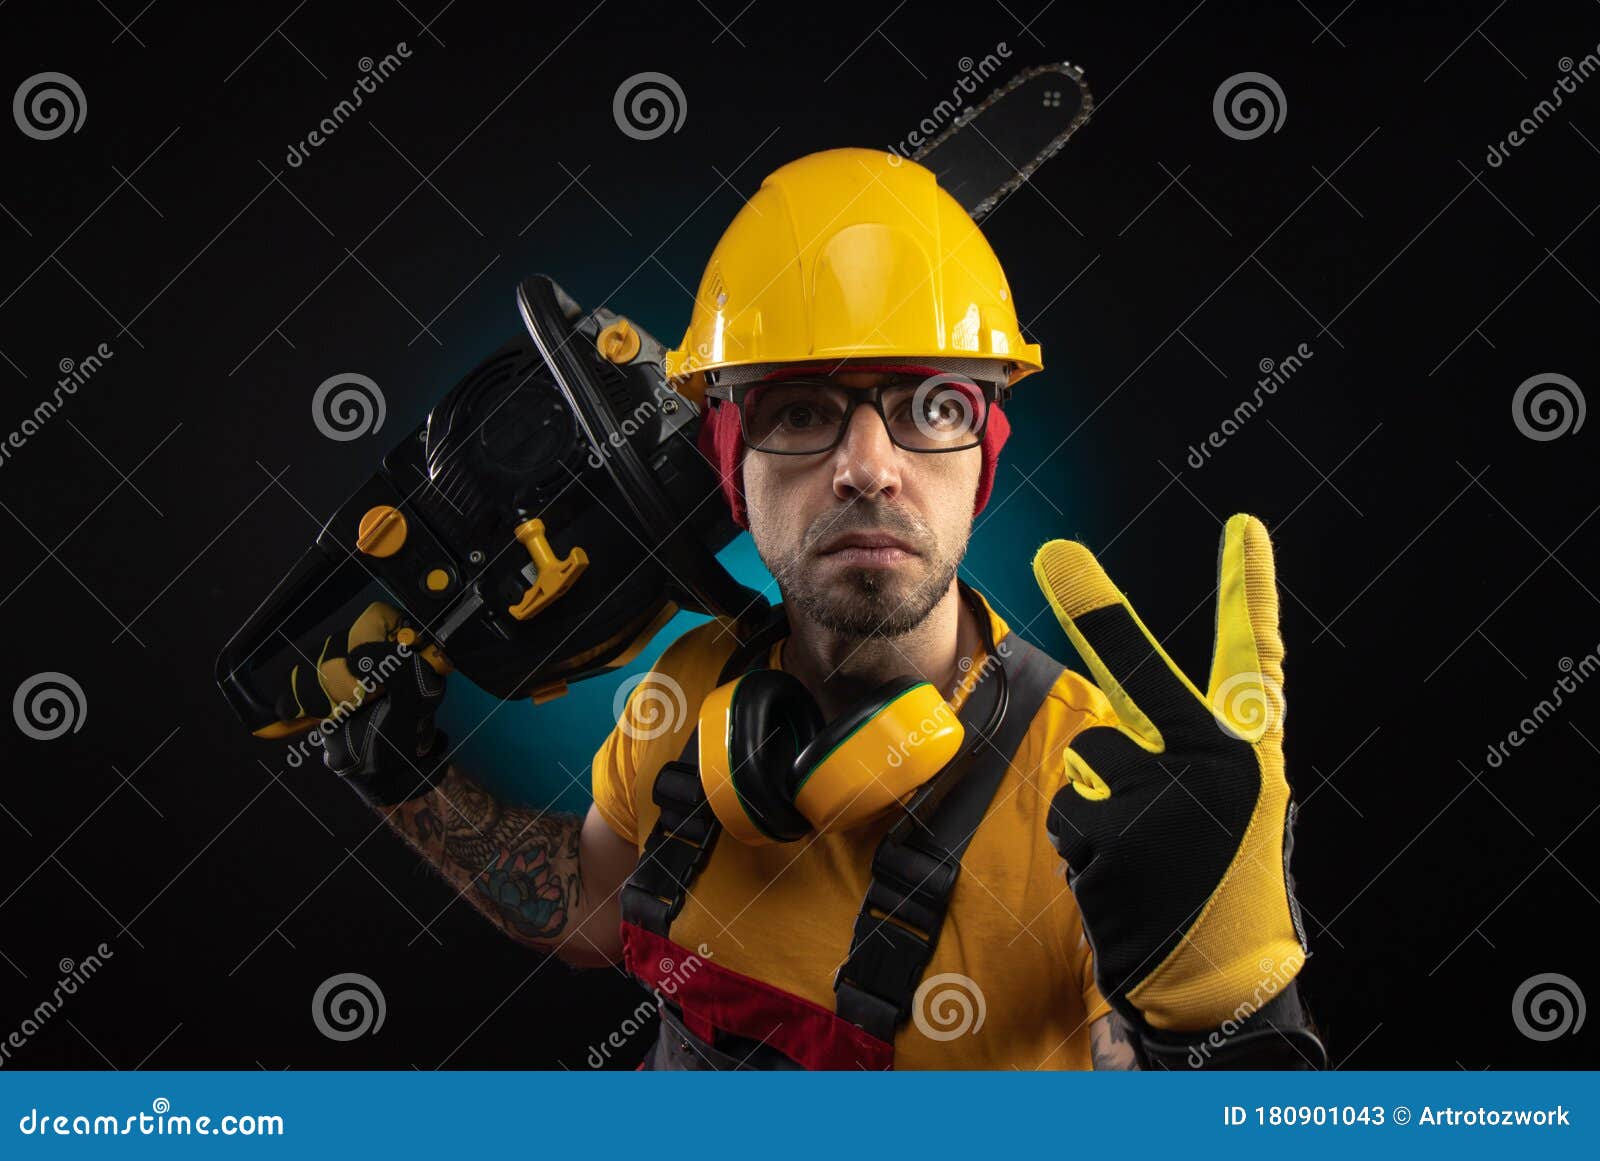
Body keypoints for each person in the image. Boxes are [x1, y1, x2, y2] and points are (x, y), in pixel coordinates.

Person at [293, 148, 1323, 1070]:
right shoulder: (685, 695)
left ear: (983, 463)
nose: (867, 468)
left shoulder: (1102, 787)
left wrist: (1230, 1017)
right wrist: (400, 775)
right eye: (797, 411)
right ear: (731, 471)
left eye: (934, 407)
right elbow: (590, 906)